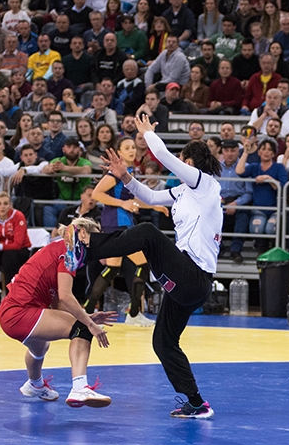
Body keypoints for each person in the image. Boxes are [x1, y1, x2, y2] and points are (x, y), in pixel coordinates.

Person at [85, 114, 223, 419]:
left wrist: (146, 133)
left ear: (190, 162)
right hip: (185, 281)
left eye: (183, 162)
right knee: (163, 341)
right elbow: (147, 195)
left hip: (194, 276)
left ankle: (88, 249)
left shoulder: (204, 184)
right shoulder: (183, 192)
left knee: (147, 233)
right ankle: (197, 402)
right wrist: (124, 177)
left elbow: (162, 155)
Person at [0, 216, 116, 407]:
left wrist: (87, 317)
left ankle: (34, 385)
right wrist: (89, 324)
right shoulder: (69, 251)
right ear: (83, 233)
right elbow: (66, 297)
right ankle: (79, 387)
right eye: (94, 241)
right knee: (81, 329)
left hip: (11, 313)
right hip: (21, 312)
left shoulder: (57, 248)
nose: (94, 249)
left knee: (40, 347)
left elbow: (57, 303)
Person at [87, 136, 167, 325]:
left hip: (121, 223)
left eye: (133, 147)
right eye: (127, 147)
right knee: (143, 264)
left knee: (113, 268)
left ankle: (89, 310)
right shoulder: (115, 173)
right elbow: (96, 194)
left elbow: (134, 201)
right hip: (117, 224)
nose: (132, 150)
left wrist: (153, 206)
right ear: (119, 152)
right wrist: (123, 203)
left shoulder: (129, 172)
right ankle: (133, 314)